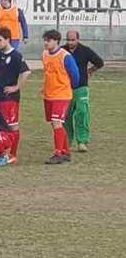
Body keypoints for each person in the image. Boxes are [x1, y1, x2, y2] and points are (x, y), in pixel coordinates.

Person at [0, 27, 31, 163]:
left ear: (8, 40)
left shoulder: (15, 56)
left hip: (10, 98)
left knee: (12, 125)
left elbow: (26, 72)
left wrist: (16, 87)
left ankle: (12, 154)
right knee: (0, 124)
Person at [42, 30, 80, 165]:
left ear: (56, 41)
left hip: (62, 95)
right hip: (48, 95)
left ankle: (58, 153)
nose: (46, 43)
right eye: (45, 40)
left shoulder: (65, 56)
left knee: (57, 122)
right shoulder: (45, 54)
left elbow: (75, 76)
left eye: (48, 40)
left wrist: (69, 87)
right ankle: (66, 152)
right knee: (55, 124)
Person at [63, 30, 104, 152]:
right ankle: (67, 142)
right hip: (66, 88)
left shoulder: (85, 50)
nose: (70, 42)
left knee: (82, 113)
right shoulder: (62, 51)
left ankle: (82, 141)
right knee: (66, 116)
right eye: (68, 40)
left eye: (73, 40)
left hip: (81, 88)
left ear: (78, 39)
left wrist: (90, 71)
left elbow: (100, 62)